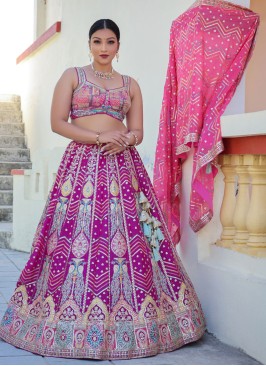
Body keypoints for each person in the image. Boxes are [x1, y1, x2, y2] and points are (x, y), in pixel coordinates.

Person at [0, 19, 205, 360]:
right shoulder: (72, 76)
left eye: (110, 42)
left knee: (131, 238)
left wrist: (126, 138)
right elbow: (57, 122)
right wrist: (98, 137)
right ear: (89, 44)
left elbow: (138, 129)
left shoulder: (130, 84)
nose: (104, 48)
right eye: (97, 41)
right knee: (75, 238)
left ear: (118, 46)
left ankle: (142, 321)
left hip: (122, 164)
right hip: (81, 164)